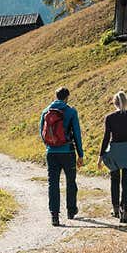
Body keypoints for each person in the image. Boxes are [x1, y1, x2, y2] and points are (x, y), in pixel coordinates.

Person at [39, 86, 84, 227]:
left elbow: (42, 132)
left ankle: (54, 216)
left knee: (53, 183)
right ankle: (71, 211)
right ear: (67, 97)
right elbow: (76, 133)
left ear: (55, 96)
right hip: (68, 152)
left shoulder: (45, 111)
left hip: (51, 153)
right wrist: (80, 154)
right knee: (71, 181)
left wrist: (49, 147)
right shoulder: (71, 111)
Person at [98, 90, 127, 223]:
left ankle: (115, 209)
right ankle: (124, 212)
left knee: (114, 181)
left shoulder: (110, 118)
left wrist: (101, 156)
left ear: (115, 103)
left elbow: (106, 137)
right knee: (126, 183)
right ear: (126, 102)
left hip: (115, 151)